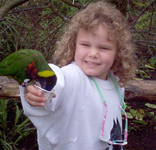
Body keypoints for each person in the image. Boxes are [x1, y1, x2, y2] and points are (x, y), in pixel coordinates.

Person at [19, 1, 136, 150]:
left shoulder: (115, 82)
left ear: (118, 52)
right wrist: (38, 84)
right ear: (74, 45)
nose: (93, 54)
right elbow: (59, 79)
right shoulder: (75, 78)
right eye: (85, 45)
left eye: (104, 48)